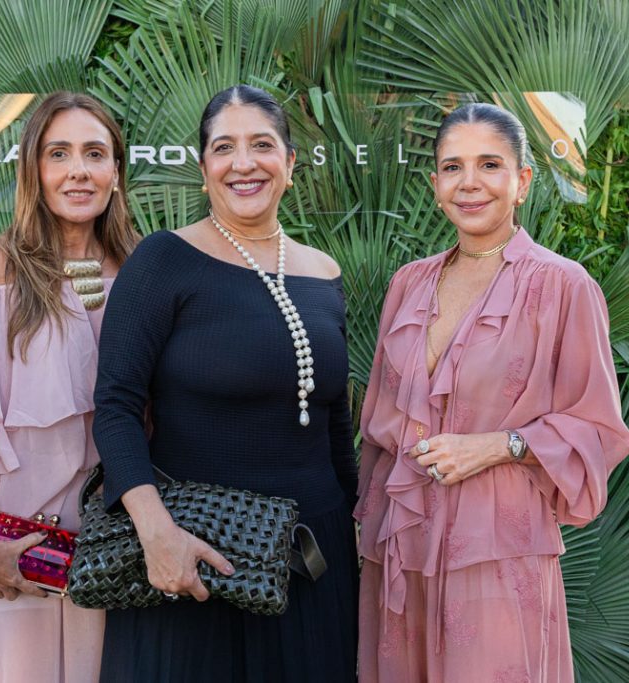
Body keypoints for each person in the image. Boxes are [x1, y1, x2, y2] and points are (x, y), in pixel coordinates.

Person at [355, 103, 629, 682]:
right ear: (435, 185)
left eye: (489, 164)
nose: (470, 182)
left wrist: (496, 446)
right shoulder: (409, 282)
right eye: (453, 167)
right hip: (404, 540)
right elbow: (380, 425)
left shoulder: (562, 285)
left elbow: (597, 428)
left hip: (499, 545)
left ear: (522, 181)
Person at [92, 84, 358, 682]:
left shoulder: (324, 272)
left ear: (290, 164)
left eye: (262, 145)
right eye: (224, 148)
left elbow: (334, 418)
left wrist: (357, 524)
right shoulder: (163, 260)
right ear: (204, 166)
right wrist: (155, 533)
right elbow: (114, 407)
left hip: (314, 562)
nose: (244, 163)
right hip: (195, 562)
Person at [0, 91, 139, 682]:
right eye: (58, 153)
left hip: (119, 546)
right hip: (16, 547)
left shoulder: (142, 271)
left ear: (116, 171)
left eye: (95, 153)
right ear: (34, 171)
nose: (78, 170)